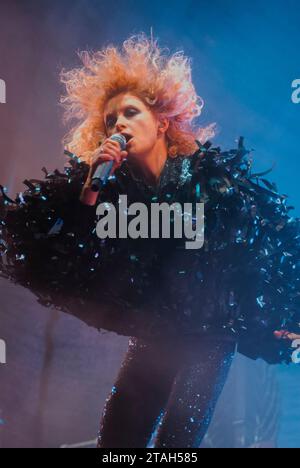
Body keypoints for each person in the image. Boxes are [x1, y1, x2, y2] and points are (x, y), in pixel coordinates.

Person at [1, 34, 300, 448]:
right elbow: (70, 249)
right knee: (116, 445)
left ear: (162, 121)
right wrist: (91, 190)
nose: (119, 124)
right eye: (110, 119)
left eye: (130, 112)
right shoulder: (113, 187)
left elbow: (266, 245)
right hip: (156, 332)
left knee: (174, 448)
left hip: (208, 337)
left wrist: (284, 317)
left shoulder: (210, 180)